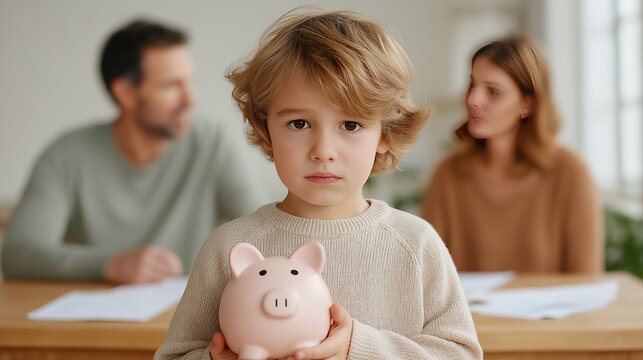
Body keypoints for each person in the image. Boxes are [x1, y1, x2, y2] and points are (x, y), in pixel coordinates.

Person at [155, 9, 483, 360]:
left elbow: (461, 353)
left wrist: (357, 348)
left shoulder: (415, 245)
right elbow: (174, 355)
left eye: (351, 125)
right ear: (267, 132)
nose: (323, 151)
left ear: (385, 134)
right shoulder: (228, 248)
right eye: (299, 124)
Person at [1, 19, 266, 284]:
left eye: (188, 81)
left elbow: (264, 228)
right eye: (171, 85)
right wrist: (110, 264)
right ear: (125, 93)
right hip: (87, 320)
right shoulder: (65, 156)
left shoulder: (210, 142)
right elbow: (18, 253)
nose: (190, 98)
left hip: (184, 314)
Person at [421, 36, 603, 273]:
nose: (473, 99)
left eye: (493, 92)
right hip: (467, 312)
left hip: (550, 312)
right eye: (472, 84)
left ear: (527, 104)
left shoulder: (570, 172)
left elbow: (586, 279)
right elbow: (428, 277)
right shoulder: (448, 174)